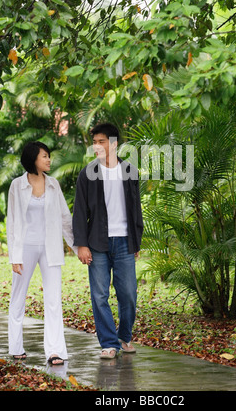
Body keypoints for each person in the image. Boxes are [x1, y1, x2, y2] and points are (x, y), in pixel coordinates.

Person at [73, 123, 143, 359]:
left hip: (124, 241)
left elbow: (136, 210)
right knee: (99, 294)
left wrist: (136, 242)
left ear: (113, 144)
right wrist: (81, 244)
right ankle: (109, 343)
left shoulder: (130, 171)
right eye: (94, 142)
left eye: (101, 141)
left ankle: (124, 336)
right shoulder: (88, 174)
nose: (96, 146)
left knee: (129, 294)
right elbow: (80, 211)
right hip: (97, 243)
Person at [7, 141, 76, 365]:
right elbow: (12, 222)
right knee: (18, 298)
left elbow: (65, 218)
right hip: (24, 247)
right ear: (33, 158)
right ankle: (16, 347)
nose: (49, 159)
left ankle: (54, 351)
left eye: (48, 156)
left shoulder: (54, 184)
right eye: (44, 156)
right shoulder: (17, 185)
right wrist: (13, 257)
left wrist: (77, 247)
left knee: (54, 299)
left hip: (51, 248)